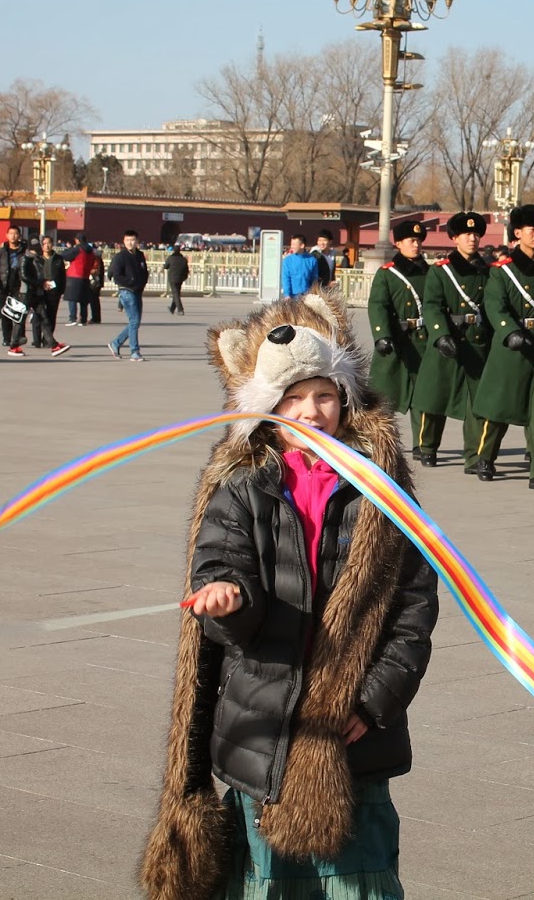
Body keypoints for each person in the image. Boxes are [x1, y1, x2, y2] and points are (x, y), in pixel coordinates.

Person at [144, 293, 438, 900]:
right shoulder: (242, 487)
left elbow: (413, 612)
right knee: (267, 881)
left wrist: (372, 703)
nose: (311, 412)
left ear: (345, 398)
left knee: (359, 880)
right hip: (262, 723)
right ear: (267, 409)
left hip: (351, 735)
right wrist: (227, 598)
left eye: (324, 395)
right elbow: (221, 561)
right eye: (292, 398)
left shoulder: (382, 490)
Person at [473, 205, 534, 484]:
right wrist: (509, 331)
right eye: (531, 229)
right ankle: (485, 458)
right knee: (499, 410)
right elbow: (495, 306)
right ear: (518, 233)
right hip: (512, 350)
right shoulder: (502, 271)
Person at [412, 212, 491, 471]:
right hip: (448, 340)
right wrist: (441, 335)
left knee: (477, 403)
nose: (472, 238)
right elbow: (432, 305)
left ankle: (474, 456)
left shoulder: (487, 271)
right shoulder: (441, 271)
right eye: (466, 234)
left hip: (476, 342)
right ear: (455, 238)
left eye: (476, 234)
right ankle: (427, 447)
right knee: (435, 397)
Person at [367, 219, 432, 456]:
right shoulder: (387, 274)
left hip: (422, 341)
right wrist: (382, 335)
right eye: (411, 241)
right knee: (384, 394)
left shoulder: (430, 273)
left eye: (419, 241)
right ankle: (381, 441)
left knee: (423, 396)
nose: (416, 245)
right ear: (399, 243)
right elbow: (378, 305)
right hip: (394, 341)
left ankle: (423, 444)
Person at [0, 227, 38, 356]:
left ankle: (19, 336)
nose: (13, 236)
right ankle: (7, 338)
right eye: (11, 233)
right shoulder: (1, 251)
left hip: (19, 286)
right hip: (3, 285)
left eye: (16, 234)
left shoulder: (25, 251)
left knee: (20, 312)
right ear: (7, 235)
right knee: (5, 313)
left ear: (20, 235)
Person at [108, 229, 149, 360]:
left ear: (137, 241)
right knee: (134, 321)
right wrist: (130, 282)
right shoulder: (120, 257)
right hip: (126, 291)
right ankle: (134, 351)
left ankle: (116, 343)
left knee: (135, 322)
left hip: (137, 291)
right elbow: (116, 275)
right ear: (123, 241)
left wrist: (142, 283)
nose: (130, 243)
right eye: (127, 240)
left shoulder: (140, 255)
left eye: (132, 240)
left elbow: (144, 271)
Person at [31, 236, 70, 356]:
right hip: (40, 290)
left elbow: (62, 276)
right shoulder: (37, 259)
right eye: (44, 243)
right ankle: (37, 339)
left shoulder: (58, 259)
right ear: (41, 245)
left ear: (52, 244)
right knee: (38, 315)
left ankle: (47, 340)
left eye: (49, 243)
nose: (47, 246)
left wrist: (61, 290)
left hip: (54, 291)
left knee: (51, 315)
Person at [62, 237, 95, 325]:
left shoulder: (78, 249)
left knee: (72, 298)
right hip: (85, 276)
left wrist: (69, 248)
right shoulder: (91, 251)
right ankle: (83, 319)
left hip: (74, 275)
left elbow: (65, 255)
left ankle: (72, 318)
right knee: (83, 300)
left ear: (77, 240)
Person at [164, 244, 189, 315]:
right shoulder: (183, 259)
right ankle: (172, 308)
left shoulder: (170, 258)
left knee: (176, 294)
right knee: (177, 293)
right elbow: (186, 269)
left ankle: (180, 309)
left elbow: (165, 266)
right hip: (181, 278)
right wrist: (185, 277)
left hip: (172, 278)